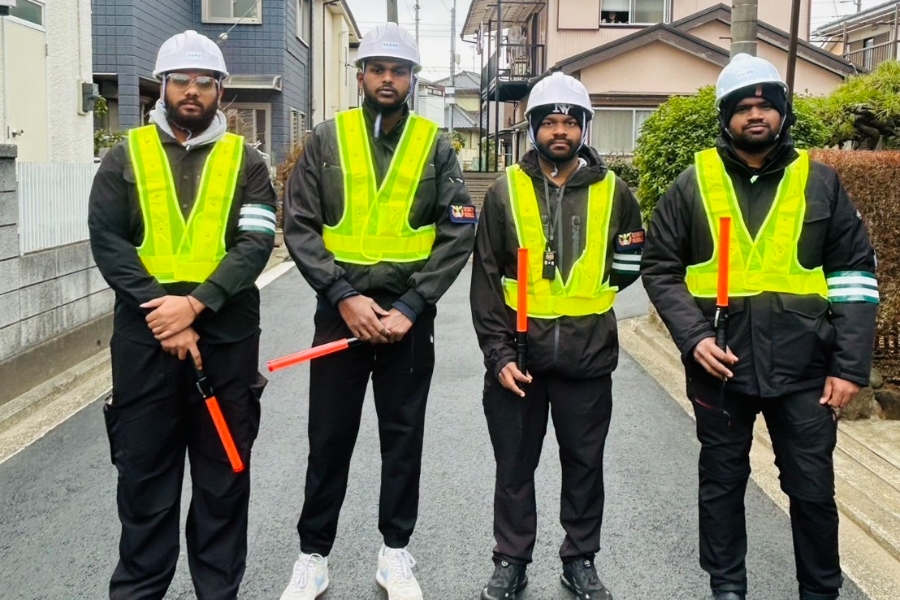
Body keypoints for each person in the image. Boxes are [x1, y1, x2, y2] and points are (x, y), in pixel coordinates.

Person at [640, 54, 878, 600]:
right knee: (721, 484)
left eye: (766, 105)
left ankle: (820, 592)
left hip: (806, 370)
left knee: (812, 490)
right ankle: (728, 589)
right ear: (725, 116)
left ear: (782, 113)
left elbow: (854, 277)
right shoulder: (693, 183)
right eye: (743, 107)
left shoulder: (820, 182)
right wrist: (694, 337)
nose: (755, 115)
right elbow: (660, 267)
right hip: (720, 365)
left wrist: (849, 368)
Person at [279, 22, 476, 600]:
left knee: (403, 438)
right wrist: (343, 296)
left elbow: (458, 230)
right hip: (339, 315)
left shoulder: (435, 144)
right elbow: (300, 224)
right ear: (361, 74)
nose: (388, 79)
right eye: (378, 69)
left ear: (412, 79)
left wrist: (413, 304)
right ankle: (313, 556)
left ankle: (395, 553)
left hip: (406, 320)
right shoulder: (326, 139)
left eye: (399, 71)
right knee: (328, 436)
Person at [88, 30, 276, 600]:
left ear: (221, 91)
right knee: (144, 481)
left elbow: (255, 242)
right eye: (181, 80)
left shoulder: (247, 161)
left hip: (226, 344)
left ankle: (218, 592)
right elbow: (108, 240)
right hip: (145, 343)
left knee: (223, 482)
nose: (192, 90)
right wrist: (163, 313)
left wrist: (194, 305)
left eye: (204, 81)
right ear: (162, 86)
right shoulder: (125, 156)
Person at [470, 71, 644, 600]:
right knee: (514, 466)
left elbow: (628, 264)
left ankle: (580, 559)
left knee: (585, 465)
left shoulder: (616, 192)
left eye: (571, 121)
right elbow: (486, 277)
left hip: (588, 359)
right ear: (533, 129)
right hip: (518, 359)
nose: (560, 131)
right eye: (550, 122)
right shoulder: (505, 191)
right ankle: (511, 559)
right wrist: (498, 354)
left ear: (584, 127)